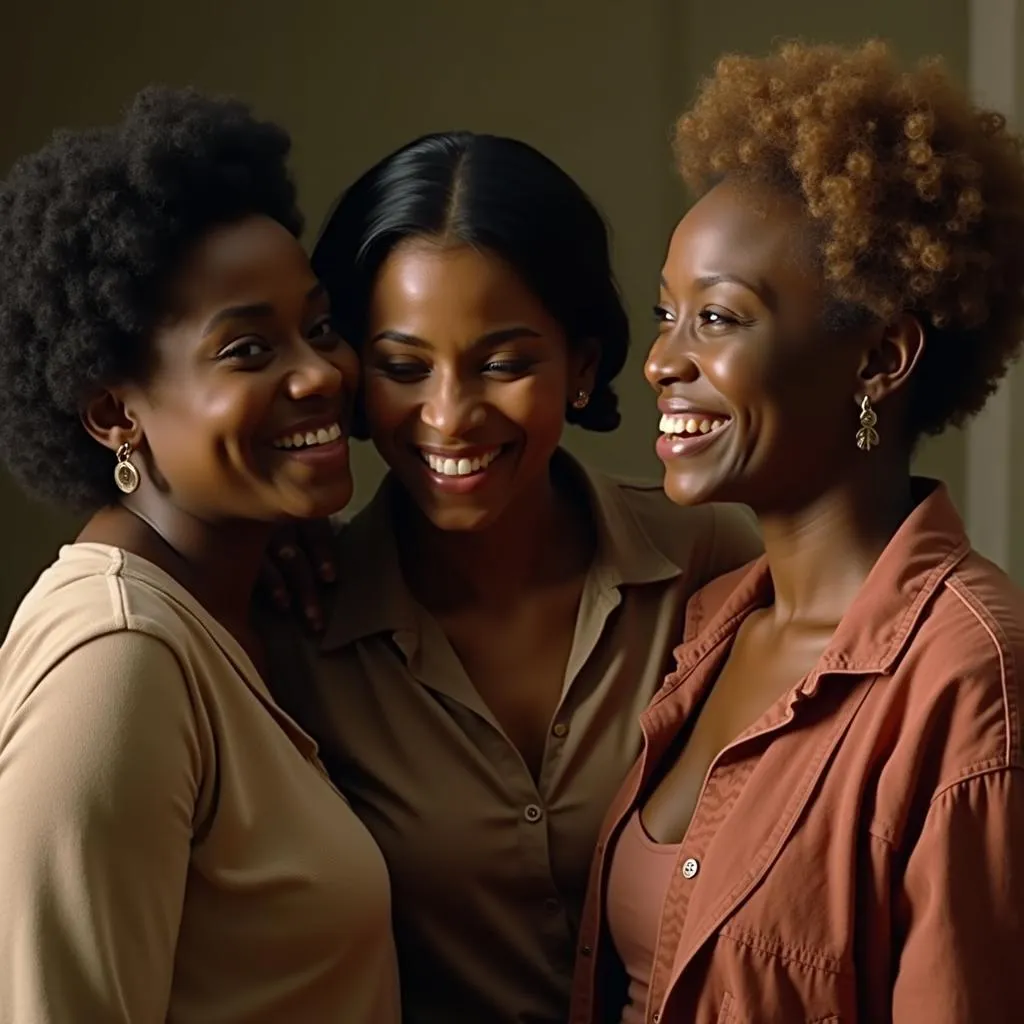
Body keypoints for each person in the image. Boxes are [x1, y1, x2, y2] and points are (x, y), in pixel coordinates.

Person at [568, 40, 1024, 1024]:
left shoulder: (967, 676)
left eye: (719, 319)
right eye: (666, 311)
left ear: (879, 360)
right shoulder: (713, 624)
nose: (661, 361)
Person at [263, 131, 762, 1023]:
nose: (450, 416)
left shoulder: (714, 562)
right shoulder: (293, 623)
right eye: (404, 368)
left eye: (502, 364)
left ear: (579, 365)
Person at [0, 88, 399, 1023]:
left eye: (320, 327)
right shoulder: (117, 663)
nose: (320, 374)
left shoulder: (236, 603)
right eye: (248, 348)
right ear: (112, 413)